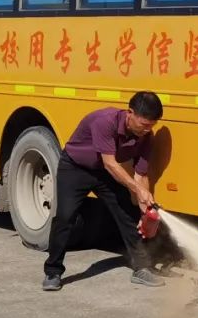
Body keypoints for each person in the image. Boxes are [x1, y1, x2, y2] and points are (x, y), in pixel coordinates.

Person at [42, 91, 166, 291]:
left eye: (152, 126)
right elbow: (110, 163)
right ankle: (53, 272)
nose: (147, 130)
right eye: (144, 125)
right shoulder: (104, 121)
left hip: (102, 171)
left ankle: (142, 268)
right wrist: (137, 190)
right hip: (75, 168)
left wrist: (145, 208)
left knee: (127, 213)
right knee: (66, 216)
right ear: (130, 113)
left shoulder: (146, 137)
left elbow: (140, 175)